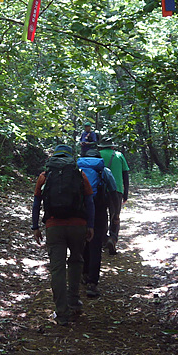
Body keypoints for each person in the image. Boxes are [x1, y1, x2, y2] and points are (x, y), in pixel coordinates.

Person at [32, 145, 95, 325]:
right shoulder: (79, 174)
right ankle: (74, 301)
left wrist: (35, 226)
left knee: (57, 268)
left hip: (54, 226)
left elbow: (36, 203)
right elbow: (90, 202)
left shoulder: (45, 176)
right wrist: (90, 225)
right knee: (76, 261)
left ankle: (61, 312)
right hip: (78, 226)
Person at [76, 149, 111, 298]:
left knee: (83, 242)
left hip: (80, 211)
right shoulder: (104, 171)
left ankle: (83, 274)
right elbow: (113, 191)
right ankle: (92, 283)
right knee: (96, 245)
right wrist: (114, 213)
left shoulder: (77, 171)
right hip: (99, 211)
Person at [99, 138, 130, 254]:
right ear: (112, 147)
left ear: (101, 147)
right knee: (115, 216)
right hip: (116, 190)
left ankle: (103, 240)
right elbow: (125, 175)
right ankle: (112, 238)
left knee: (102, 216)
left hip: (101, 190)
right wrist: (125, 193)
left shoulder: (97, 155)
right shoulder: (119, 155)